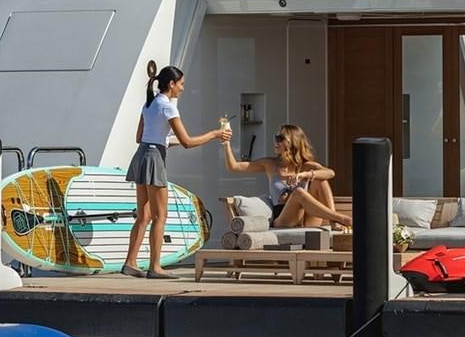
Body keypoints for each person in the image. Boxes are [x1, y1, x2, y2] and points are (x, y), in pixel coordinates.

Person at [121, 62, 232, 279]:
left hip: (142, 155)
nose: (182, 88)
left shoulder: (150, 104)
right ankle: (155, 267)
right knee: (160, 216)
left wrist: (168, 142)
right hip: (155, 160)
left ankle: (130, 263)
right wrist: (214, 135)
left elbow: (141, 138)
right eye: (181, 84)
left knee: (143, 216)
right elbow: (189, 142)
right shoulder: (169, 107)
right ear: (171, 84)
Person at [221, 123, 351, 229]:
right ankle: (340, 218)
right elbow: (234, 167)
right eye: (275, 138)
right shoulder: (270, 164)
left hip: (306, 217)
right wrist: (226, 144)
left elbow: (330, 173)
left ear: (291, 142)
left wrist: (305, 174)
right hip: (283, 218)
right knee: (299, 192)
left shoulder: (305, 166)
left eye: (280, 139)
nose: (276, 142)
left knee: (320, 180)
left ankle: (334, 221)